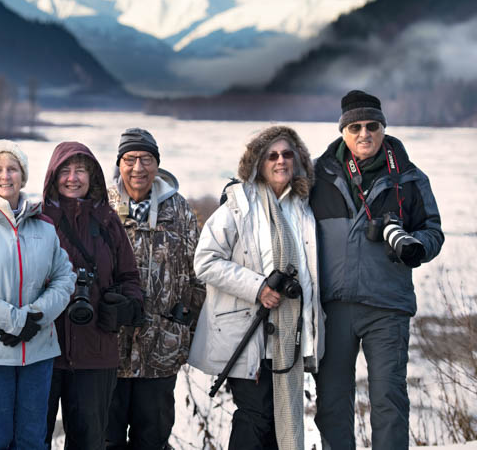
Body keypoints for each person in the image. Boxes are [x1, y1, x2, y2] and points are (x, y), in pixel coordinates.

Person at [311, 90, 444, 450]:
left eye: (372, 125)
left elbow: (433, 231)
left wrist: (416, 248)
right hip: (333, 307)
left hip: (388, 305)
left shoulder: (411, 179)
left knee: (389, 400)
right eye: (355, 127)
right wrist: (240, 191)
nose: (364, 134)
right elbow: (275, 193)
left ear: (383, 128)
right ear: (343, 131)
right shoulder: (317, 175)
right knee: (332, 403)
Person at [189, 125, 324, 450]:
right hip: (246, 332)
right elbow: (205, 261)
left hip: (288, 337)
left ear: (299, 160)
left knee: (280, 423)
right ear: (257, 162)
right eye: (272, 155)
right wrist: (258, 287)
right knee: (256, 416)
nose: (280, 161)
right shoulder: (237, 206)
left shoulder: (303, 210)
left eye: (287, 154)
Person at [0, 140, 76, 450]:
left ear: (23, 175)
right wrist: (14, 321)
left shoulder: (44, 225)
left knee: (33, 441)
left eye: (12, 169)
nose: (5, 176)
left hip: (38, 352)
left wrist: (34, 317)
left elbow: (65, 278)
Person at [105, 128, 205, 450]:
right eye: (130, 159)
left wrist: (180, 323)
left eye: (146, 159)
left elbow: (198, 274)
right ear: (119, 163)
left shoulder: (180, 210)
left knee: (152, 438)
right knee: (107, 438)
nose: (138, 168)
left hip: (160, 348)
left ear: (157, 164)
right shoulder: (102, 207)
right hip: (108, 347)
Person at [41, 141, 142, 450]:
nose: (73, 178)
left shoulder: (109, 222)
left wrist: (122, 306)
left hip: (96, 352)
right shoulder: (39, 220)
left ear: (93, 176)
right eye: (65, 171)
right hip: (43, 351)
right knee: (32, 439)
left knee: (89, 442)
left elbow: (130, 280)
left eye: (81, 170)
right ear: (53, 176)